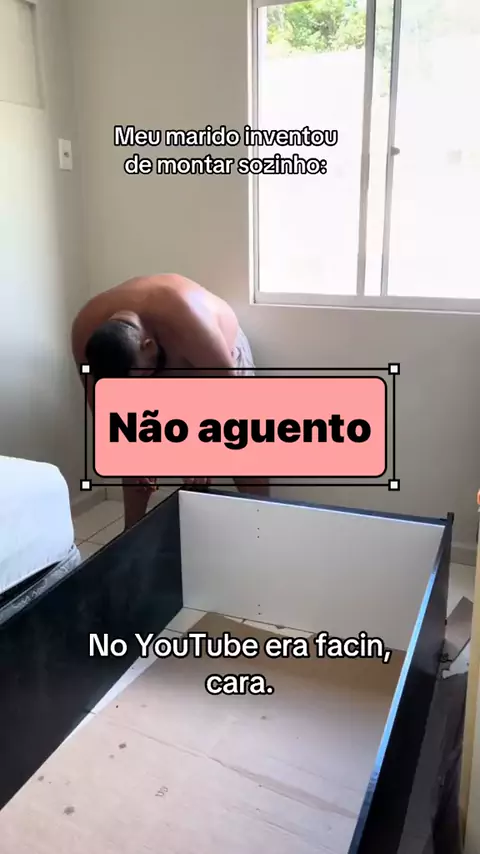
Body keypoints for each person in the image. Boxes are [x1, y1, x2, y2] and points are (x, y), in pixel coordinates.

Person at [71, 274, 270, 528]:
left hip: (214, 370)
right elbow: (106, 418)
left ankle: (263, 525)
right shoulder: (85, 333)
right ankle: (132, 534)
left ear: (148, 346)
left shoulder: (189, 323)